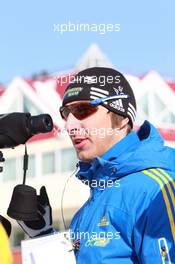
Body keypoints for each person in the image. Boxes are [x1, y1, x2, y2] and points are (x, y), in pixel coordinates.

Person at [17, 67, 175, 263]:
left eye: (83, 110)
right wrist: (44, 236)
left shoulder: (157, 190)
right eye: (66, 113)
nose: (69, 125)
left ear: (122, 117)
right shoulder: (87, 211)